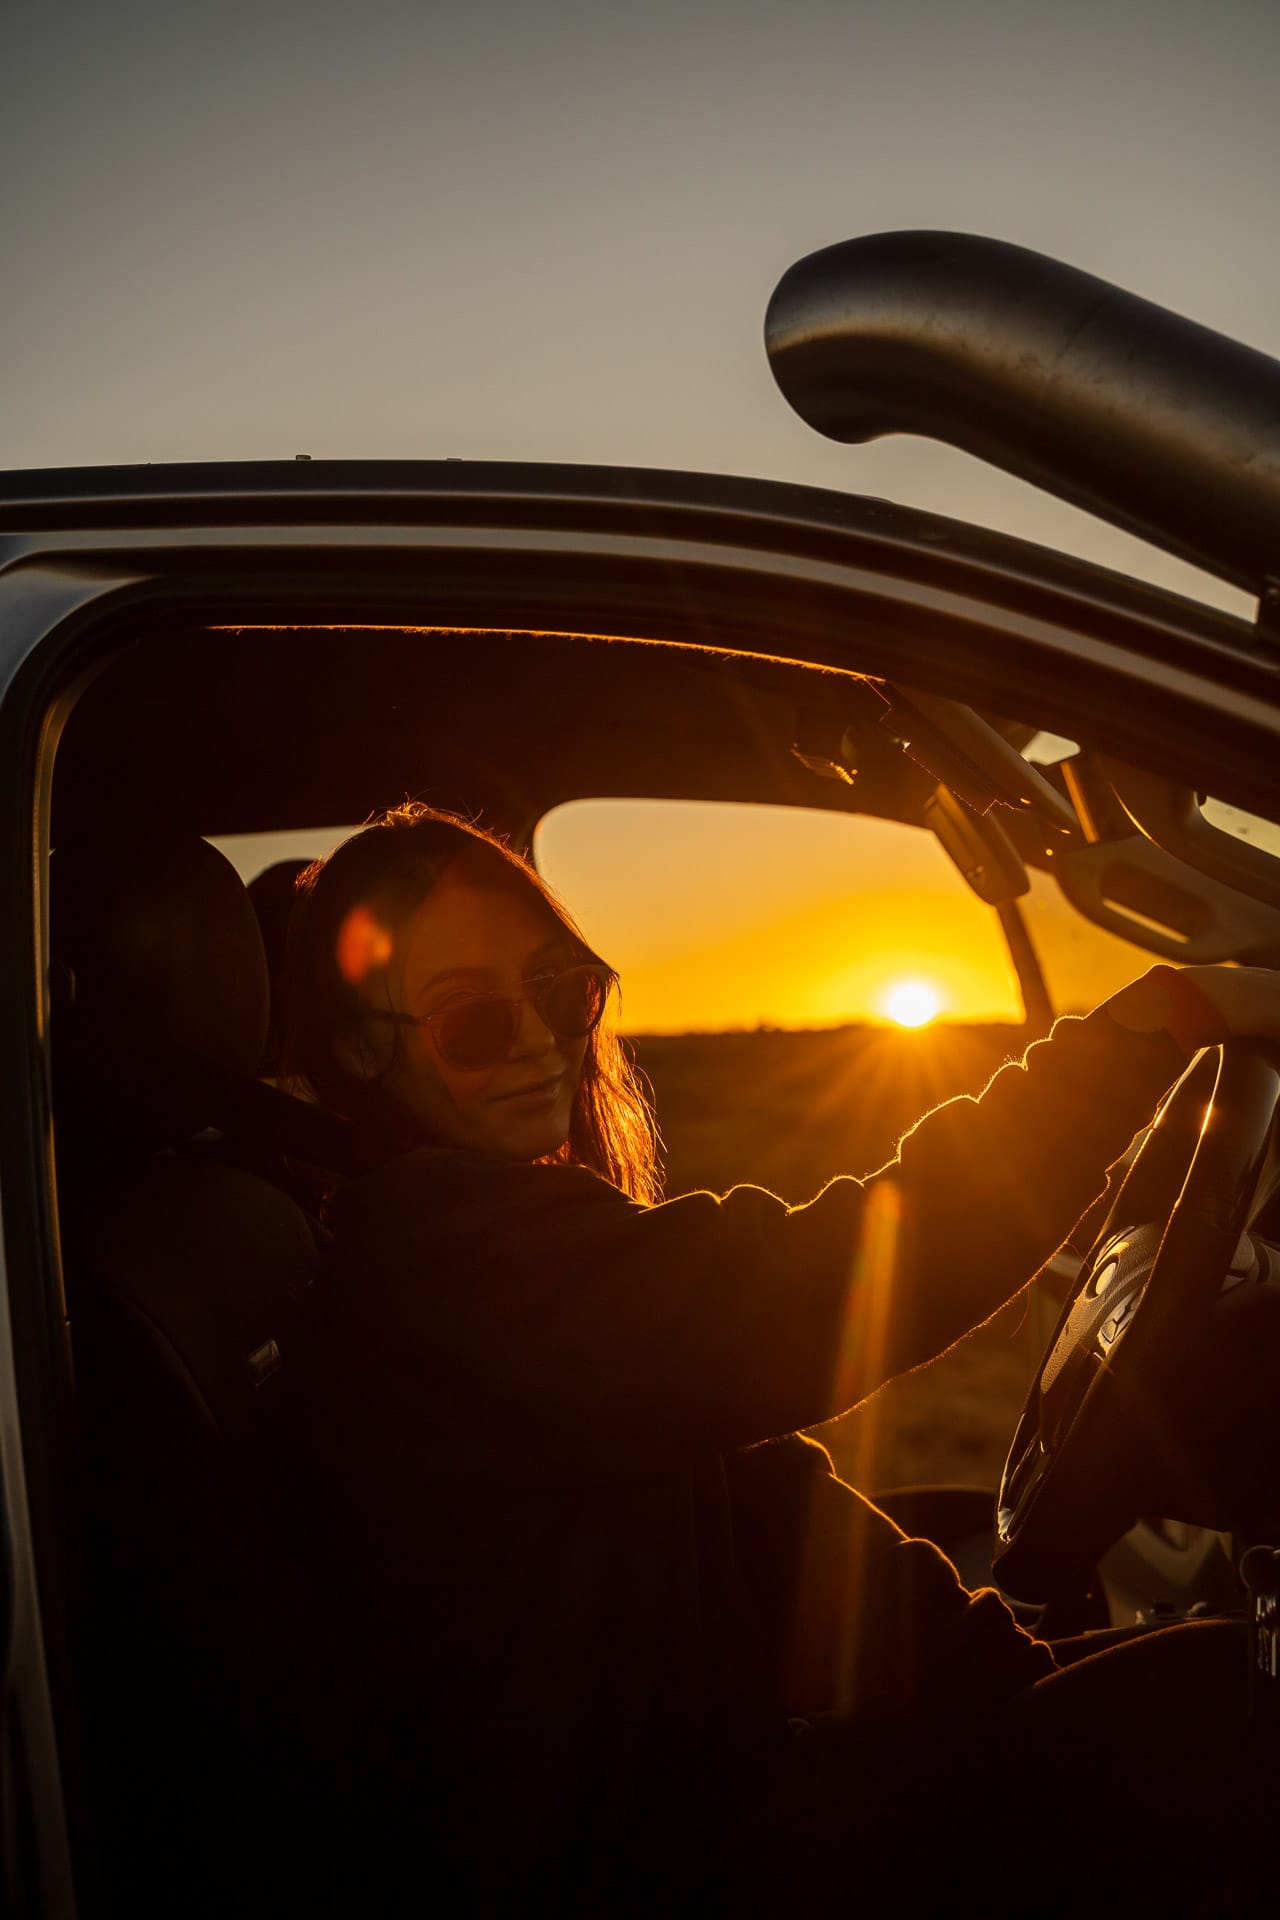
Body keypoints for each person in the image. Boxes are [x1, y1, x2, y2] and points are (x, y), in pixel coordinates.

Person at [281, 801, 1280, 1915]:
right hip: (637, 1867)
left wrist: (999, 1670)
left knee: (1186, 1703)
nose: (538, 1041)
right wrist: (1149, 1031)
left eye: (564, 991)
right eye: (469, 1020)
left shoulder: (505, 1245)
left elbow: (755, 1510)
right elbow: (837, 1275)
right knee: (1229, 1717)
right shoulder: (443, 1262)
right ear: (365, 1043)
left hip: (707, 1798)